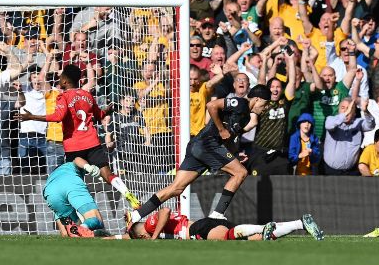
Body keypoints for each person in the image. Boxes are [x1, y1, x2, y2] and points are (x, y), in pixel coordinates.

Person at [127, 84, 272, 225]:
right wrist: (221, 129)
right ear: (258, 99)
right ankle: (217, 214)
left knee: (176, 188)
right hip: (208, 144)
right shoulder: (240, 103)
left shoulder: (245, 118)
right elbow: (211, 105)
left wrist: (234, 154)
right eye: (265, 104)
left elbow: (228, 138)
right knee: (240, 172)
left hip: (200, 146)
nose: (265, 108)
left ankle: (136, 215)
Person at [15, 64, 139, 208]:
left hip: (74, 145)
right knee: (108, 173)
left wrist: (32, 116)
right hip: (92, 142)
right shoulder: (87, 95)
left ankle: (83, 210)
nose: (58, 80)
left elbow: (57, 116)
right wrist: (107, 110)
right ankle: (126, 192)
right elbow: (99, 116)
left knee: (75, 182)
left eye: (60, 78)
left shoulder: (64, 97)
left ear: (65, 82)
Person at [126, 207, 323, 241]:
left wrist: (152, 237)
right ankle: (300, 223)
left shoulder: (150, 226)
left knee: (226, 237)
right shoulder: (151, 230)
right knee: (256, 240)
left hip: (197, 229)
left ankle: (264, 227)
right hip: (205, 223)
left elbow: (165, 211)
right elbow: (125, 236)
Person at [43, 161, 109, 238]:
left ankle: (81, 229)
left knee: (70, 233)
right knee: (96, 220)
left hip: (49, 189)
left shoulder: (54, 174)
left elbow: (64, 233)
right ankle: (83, 227)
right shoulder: (75, 163)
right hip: (70, 181)